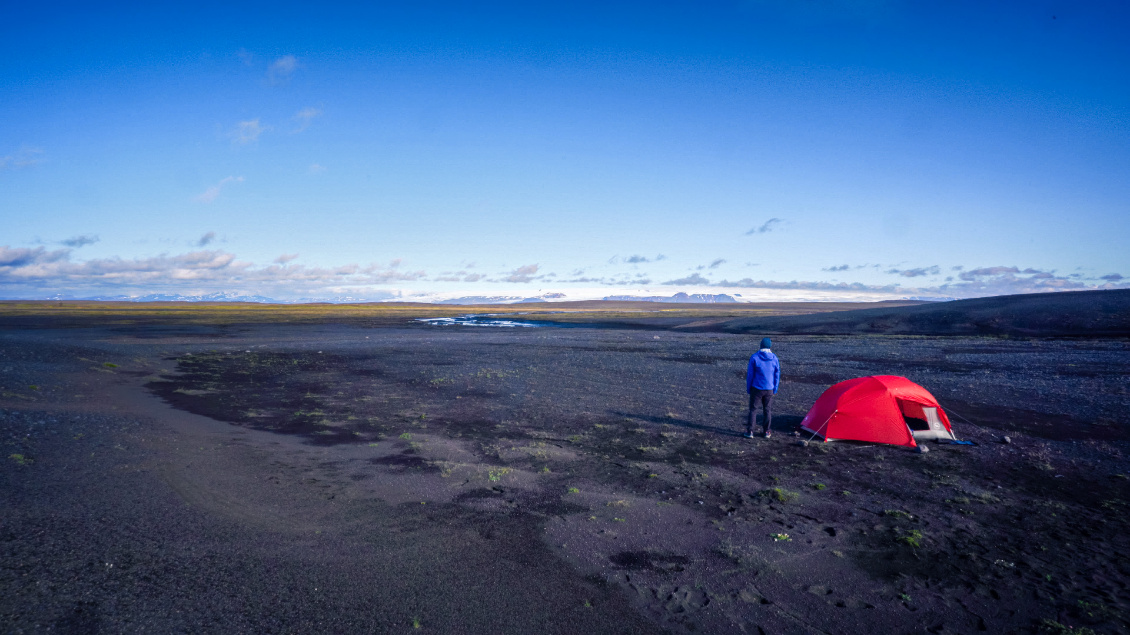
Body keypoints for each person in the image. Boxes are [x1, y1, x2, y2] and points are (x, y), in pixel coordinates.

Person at [745, 337, 780, 438]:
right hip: (769, 388)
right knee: (767, 410)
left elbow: (750, 375)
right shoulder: (774, 358)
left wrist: (749, 388)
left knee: (753, 409)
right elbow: (777, 375)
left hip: (756, 388)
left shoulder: (754, 357)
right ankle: (766, 432)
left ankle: (750, 431)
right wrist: (775, 388)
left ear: (760, 345)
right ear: (770, 346)